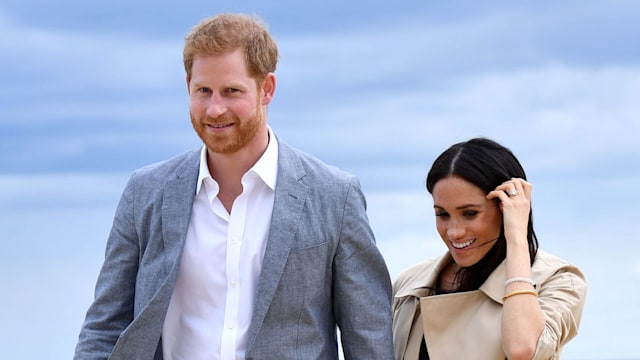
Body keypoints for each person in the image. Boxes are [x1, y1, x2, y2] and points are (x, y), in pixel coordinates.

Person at [74, 13, 395, 360]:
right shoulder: (145, 192)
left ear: (267, 88)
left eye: (231, 91)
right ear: (188, 87)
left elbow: (369, 340)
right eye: (203, 91)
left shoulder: (335, 196)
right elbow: (104, 326)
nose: (215, 109)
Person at [392, 138, 587, 360]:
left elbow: (522, 349)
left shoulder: (557, 279)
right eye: (442, 214)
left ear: (507, 208)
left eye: (470, 213)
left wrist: (517, 237)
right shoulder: (408, 285)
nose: (454, 232)